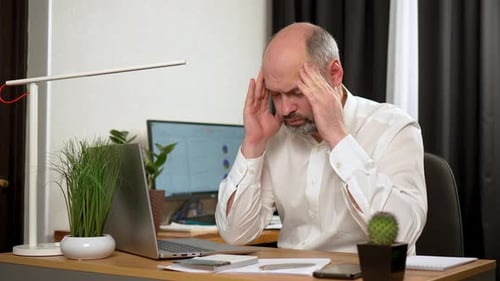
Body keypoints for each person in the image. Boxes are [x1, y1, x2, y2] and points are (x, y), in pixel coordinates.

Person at [215, 22, 427, 255]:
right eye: (276, 95)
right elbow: (236, 234)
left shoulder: (393, 127)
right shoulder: (277, 136)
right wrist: (253, 143)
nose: (285, 109)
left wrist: (338, 137)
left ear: (334, 74)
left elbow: (402, 232)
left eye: (297, 92)